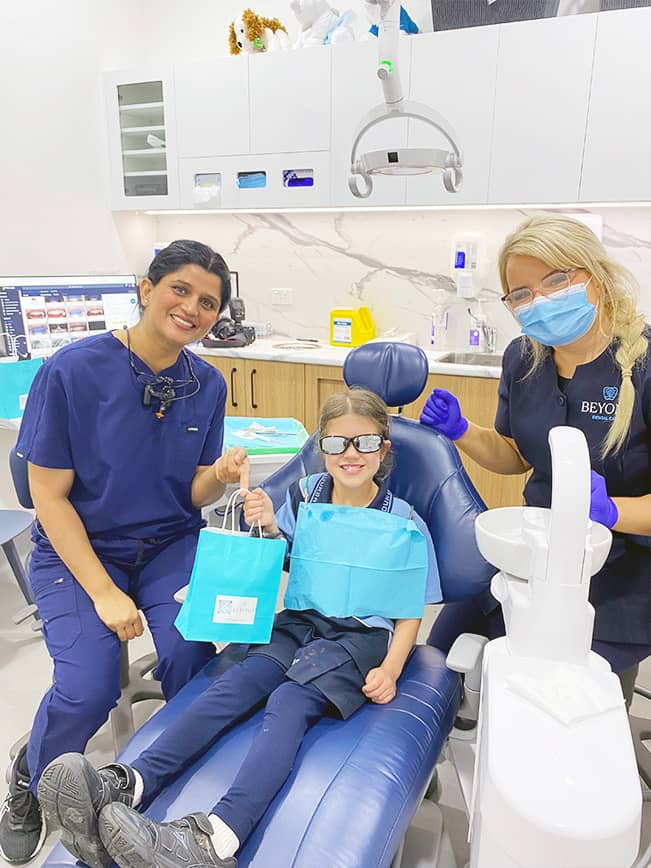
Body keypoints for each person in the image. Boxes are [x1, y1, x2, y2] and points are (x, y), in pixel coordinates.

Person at [36, 387, 441, 868]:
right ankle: (128, 781)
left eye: (365, 443)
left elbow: (408, 609)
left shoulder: (404, 523)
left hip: (359, 637)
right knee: (233, 685)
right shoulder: (305, 496)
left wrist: (393, 668)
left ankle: (217, 839)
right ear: (321, 447)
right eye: (335, 444)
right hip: (300, 622)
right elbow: (288, 555)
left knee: (290, 702)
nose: (349, 456)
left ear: (384, 449)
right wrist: (268, 526)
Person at [0, 240, 250, 865]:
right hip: (80, 550)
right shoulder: (73, 370)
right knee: (86, 690)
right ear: (147, 287)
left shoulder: (207, 383)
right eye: (182, 290)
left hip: (168, 544)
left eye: (209, 302)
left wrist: (218, 472)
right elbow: (47, 497)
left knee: (192, 656)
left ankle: (162, 783)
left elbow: (189, 491)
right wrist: (105, 592)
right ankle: (29, 780)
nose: (193, 309)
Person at [421, 214, 651, 699]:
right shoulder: (523, 358)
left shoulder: (645, 367)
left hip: (618, 581)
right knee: (436, 660)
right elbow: (515, 455)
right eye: (521, 294)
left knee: (551, 700)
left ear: (595, 273)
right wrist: (463, 431)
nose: (539, 300)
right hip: (527, 556)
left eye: (555, 280)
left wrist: (612, 512)